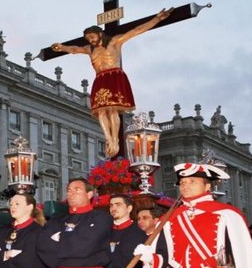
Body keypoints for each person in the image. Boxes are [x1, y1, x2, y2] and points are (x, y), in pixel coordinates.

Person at [51, 8, 174, 157]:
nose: (91, 40)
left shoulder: (115, 42)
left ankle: (115, 139)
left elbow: (137, 30)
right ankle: (108, 139)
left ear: (99, 33)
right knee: (101, 110)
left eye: (92, 36)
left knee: (112, 109)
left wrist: (157, 19)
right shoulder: (89, 49)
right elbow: (75, 49)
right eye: (88, 38)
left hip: (114, 76)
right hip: (100, 78)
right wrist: (61, 47)